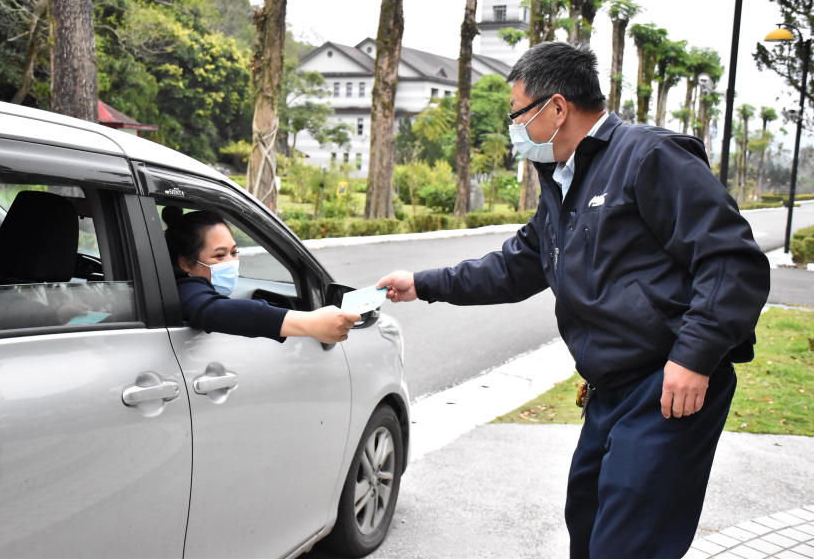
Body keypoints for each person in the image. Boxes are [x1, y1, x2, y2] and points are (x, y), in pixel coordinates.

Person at [376, 42, 770, 559]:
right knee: (585, 520)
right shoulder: (563, 181)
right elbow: (516, 266)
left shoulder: (649, 157)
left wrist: (693, 357)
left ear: (557, 108)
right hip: (610, 388)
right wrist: (423, 283)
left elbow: (731, 261)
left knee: (628, 542)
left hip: (667, 385)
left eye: (518, 115)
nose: (515, 130)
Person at [165, 208, 359, 343]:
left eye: (234, 252)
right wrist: (310, 323)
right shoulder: (184, 290)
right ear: (185, 263)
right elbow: (214, 310)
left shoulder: (166, 285)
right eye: (219, 255)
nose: (231, 262)